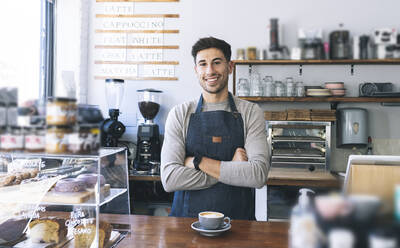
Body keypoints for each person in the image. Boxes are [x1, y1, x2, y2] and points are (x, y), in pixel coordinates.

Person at [160, 37, 269, 220]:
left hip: (238, 225)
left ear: (230, 67)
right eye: (203, 64)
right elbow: (170, 179)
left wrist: (197, 162)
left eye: (217, 62)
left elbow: (257, 175)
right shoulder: (179, 114)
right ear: (196, 71)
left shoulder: (251, 112)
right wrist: (233, 167)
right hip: (186, 225)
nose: (210, 71)